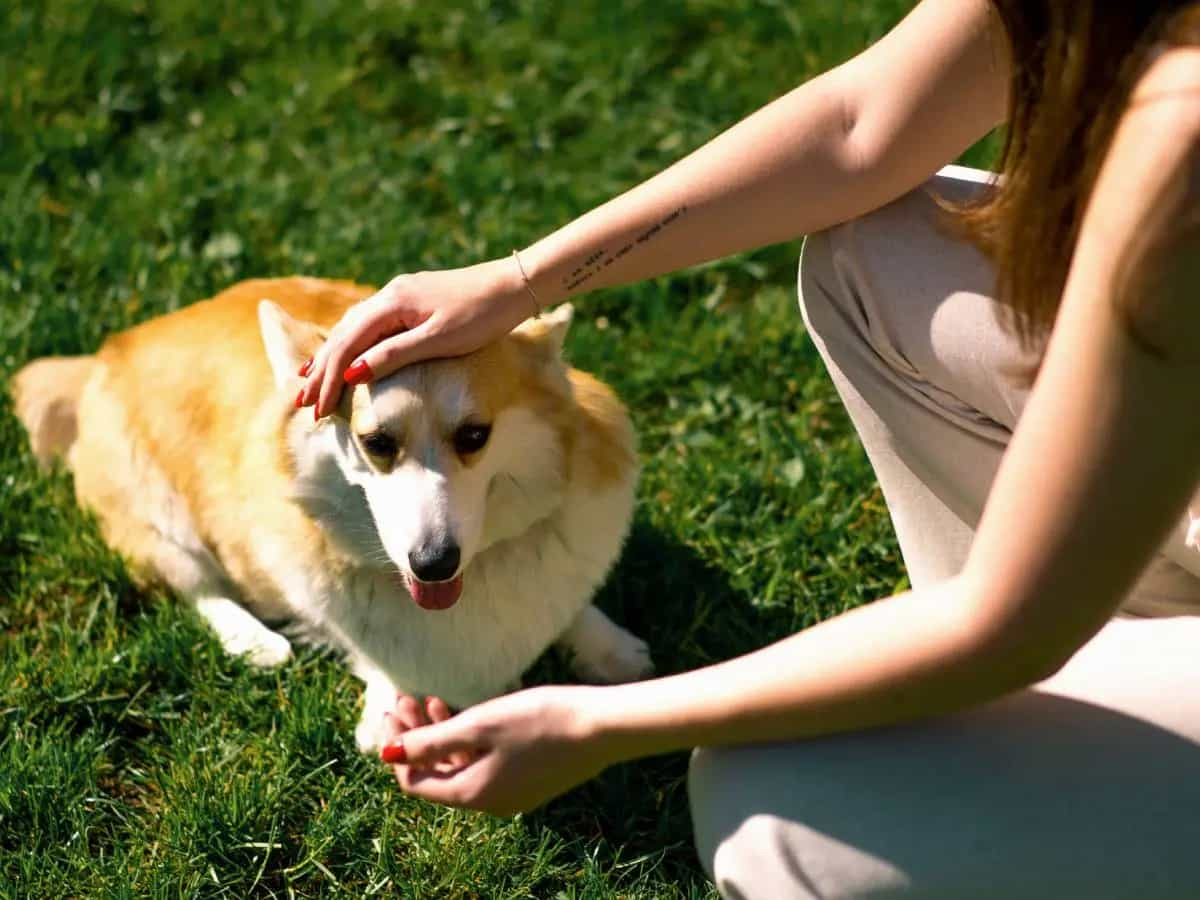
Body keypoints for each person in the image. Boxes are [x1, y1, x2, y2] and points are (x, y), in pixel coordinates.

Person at [298, 1, 1200, 895]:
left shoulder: (1179, 131)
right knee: (871, 247)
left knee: (770, 802)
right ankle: (1060, 690)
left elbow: (1007, 626)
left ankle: (1031, 721)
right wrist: (516, 281)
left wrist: (597, 726)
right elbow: (860, 128)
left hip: (1033, 599)